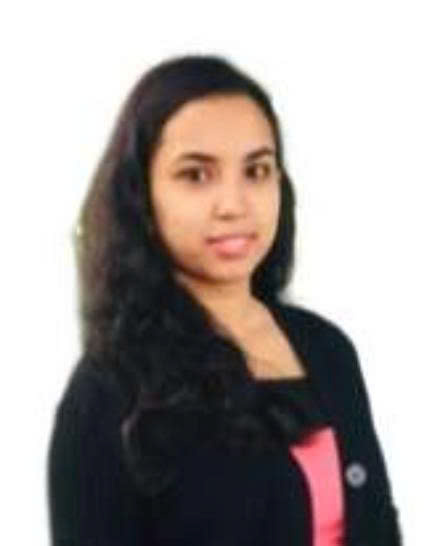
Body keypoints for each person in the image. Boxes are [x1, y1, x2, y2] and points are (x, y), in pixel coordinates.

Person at [46, 54, 403, 545]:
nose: (234, 204)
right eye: (196, 175)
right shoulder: (108, 391)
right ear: (142, 195)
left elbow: (379, 527)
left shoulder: (327, 348)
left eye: (257, 170)